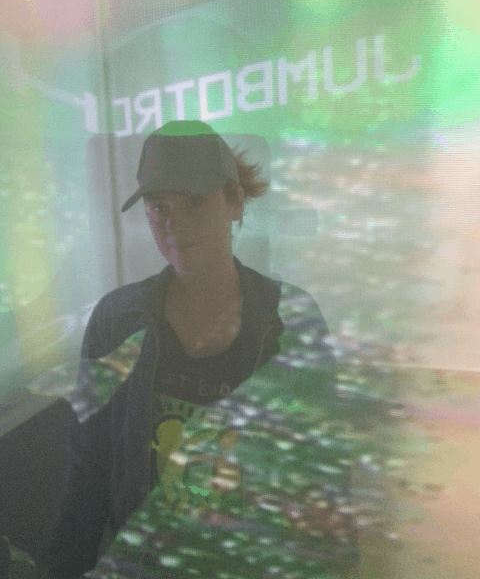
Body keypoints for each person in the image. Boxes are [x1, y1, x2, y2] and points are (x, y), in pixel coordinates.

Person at [36, 121, 359, 579]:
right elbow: (88, 473)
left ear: (234, 201)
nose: (174, 224)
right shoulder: (116, 319)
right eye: (159, 206)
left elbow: (324, 483)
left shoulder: (291, 320)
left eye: (194, 202)